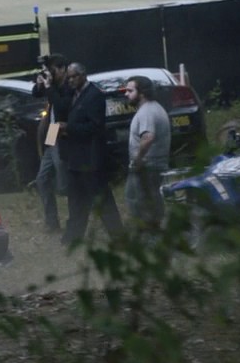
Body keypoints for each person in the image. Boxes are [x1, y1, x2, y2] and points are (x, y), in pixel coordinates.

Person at [57, 63, 125, 248]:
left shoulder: (94, 96)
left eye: (74, 77)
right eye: (68, 77)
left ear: (83, 75)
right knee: (76, 202)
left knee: (103, 202)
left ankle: (118, 238)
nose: (70, 80)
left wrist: (68, 128)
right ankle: (73, 237)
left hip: (91, 158)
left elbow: (95, 127)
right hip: (74, 158)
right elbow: (57, 107)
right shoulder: (71, 95)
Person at [123, 75, 172, 231]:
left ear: (142, 93)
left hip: (147, 166)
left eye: (130, 91)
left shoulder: (147, 112)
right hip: (150, 165)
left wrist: (138, 159)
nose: (126, 94)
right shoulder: (152, 108)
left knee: (141, 202)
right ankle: (151, 235)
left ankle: (150, 238)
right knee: (144, 201)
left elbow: (148, 137)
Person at [31, 55, 72, 232]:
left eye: (53, 70)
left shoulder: (69, 85)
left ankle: (76, 220)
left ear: (62, 69)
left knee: (65, 184)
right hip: (52, 131)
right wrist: (41, 83)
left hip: (63, 133)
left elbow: (62, 106)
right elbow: (35, 93)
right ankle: (52, 222)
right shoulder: (53, 84)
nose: (51, 74)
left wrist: (49, 87)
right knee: (42, 179)